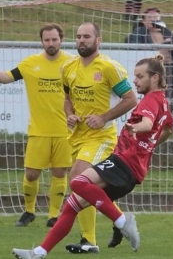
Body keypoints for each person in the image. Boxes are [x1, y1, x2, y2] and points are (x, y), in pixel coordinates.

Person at [12, 54, 173, 259]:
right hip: (132, 168)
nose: (135, 81)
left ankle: (122, 221)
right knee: (72, 205)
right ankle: (39, 252)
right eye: (135, 76)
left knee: (78, 182)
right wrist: (149, 145)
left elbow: (148, 124)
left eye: (140, 76)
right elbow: (168, 129)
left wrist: (135, 128)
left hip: (124, 162)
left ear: (154, 78)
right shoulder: (163, 102)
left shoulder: (149, 100)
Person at [0, 24, 74, 228]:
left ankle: (53, 216)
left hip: (65, 131)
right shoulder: (30, 63)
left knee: (60, 173)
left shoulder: (72, 63)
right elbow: (7, 77)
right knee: (31, 174)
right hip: (38, 131)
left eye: (54, 39)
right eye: (47, 40)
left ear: (61, 39)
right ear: (41, 41)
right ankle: (29, 211)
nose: (51, 43)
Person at [62, 22, 137, 253]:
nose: (81, 40)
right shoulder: (68, 68)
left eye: (86, 36)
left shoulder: (108, 67)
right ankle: (120, 221)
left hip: (101, 137)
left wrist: (104, 117)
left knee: (78, 178)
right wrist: (70, 115)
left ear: (98, 40)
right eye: (78, 36)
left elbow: (131, 99)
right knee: (90, 188)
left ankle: (89, 241)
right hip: (77, 136)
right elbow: (67, 99)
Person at [127, 8, 173, 98]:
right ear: (144, 20)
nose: (153, 19)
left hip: (169, 65)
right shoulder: (139, 32)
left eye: (156, 17)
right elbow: (134, 48)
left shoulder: (167, 32)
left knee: (170, 85)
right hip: (151, 66)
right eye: (150, 17)